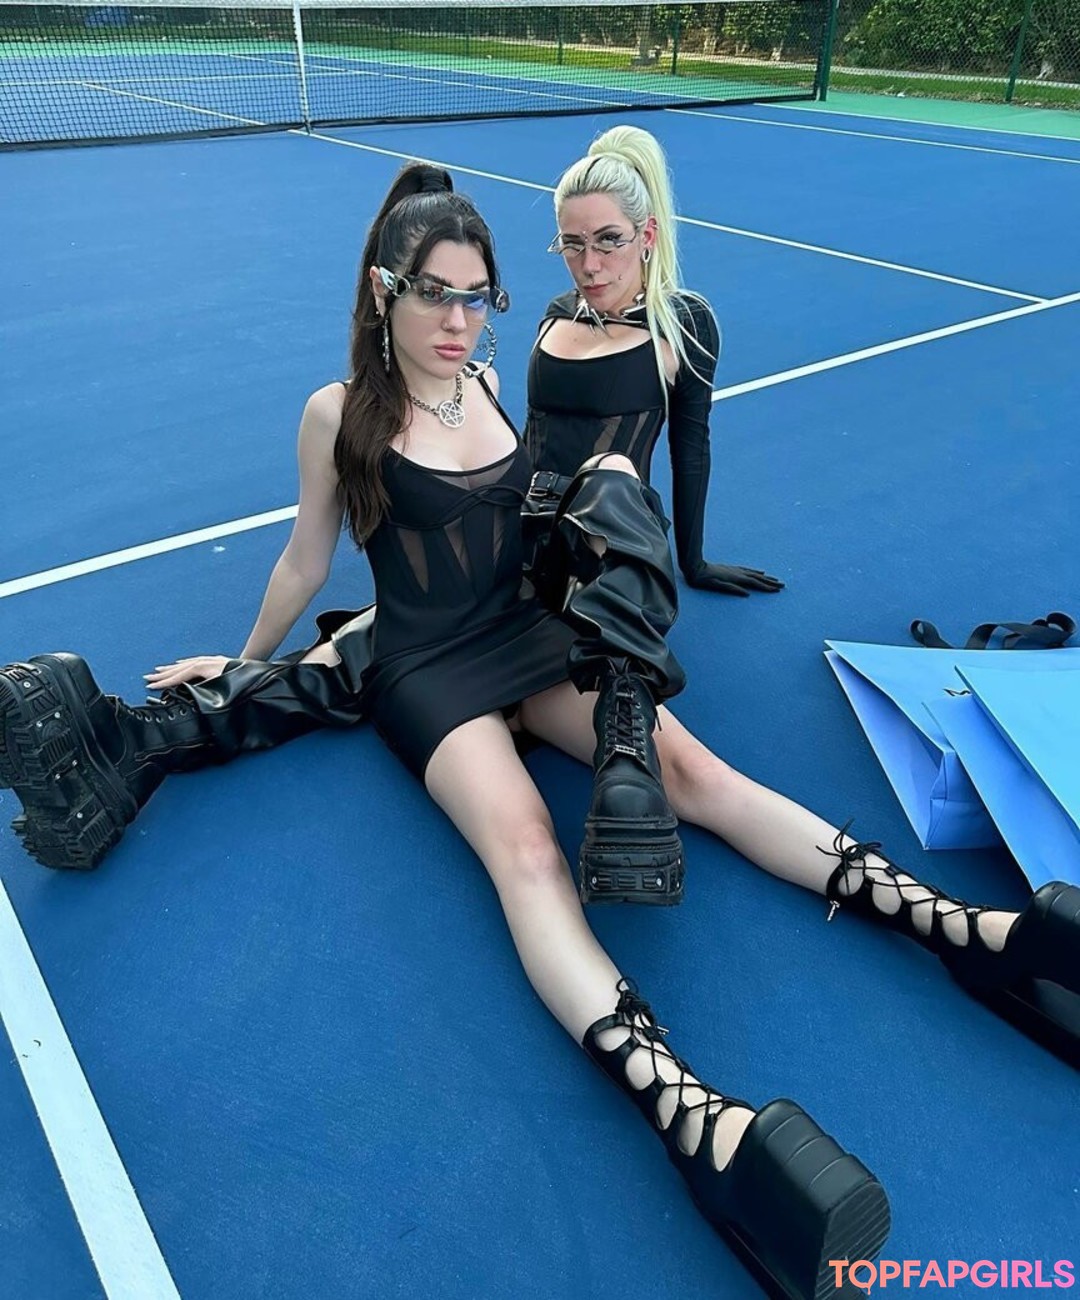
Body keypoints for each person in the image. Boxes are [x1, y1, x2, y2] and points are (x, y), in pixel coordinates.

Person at [1, 155, 1077, 1072]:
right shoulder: (338, 413)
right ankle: (678, 1096)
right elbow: (304, 559)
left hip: (526, 628)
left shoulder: (483, 383)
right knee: (528, 848)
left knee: (700, 776)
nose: (460, 320)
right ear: (384, 291)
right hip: (427, 669)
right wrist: (242, 663)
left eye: (479, 298)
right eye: (437, 295)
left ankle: (964, 929)